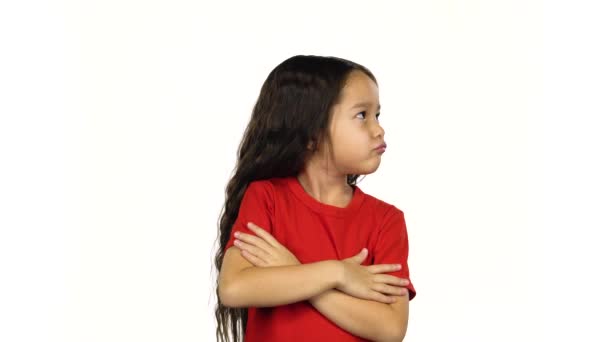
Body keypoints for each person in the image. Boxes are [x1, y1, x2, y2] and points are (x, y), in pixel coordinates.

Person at [213, 55, 416, 342]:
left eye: (377, 115)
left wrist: (294, 271)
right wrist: (338, 274)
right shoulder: (266, 198)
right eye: (362, 115)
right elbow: (234, 287)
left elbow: (390, 329)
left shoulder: (386, 221)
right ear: (312, 133)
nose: (378, 129)